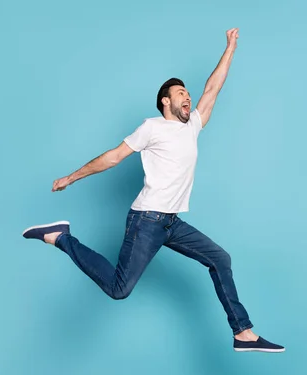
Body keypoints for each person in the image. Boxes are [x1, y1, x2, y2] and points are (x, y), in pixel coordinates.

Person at [23, 28, 284, 353]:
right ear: (166, 101)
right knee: (120, 290)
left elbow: (213, 88)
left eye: (189, 93)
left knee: (220, 258)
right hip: (146, 221)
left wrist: (230, 47)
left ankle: (242, 332)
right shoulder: (152, 127)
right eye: (181, 93)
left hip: (171, 223)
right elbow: (114, 157)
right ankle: (62, 237)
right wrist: (71, 177)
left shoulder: (192, 127)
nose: (188, 97)